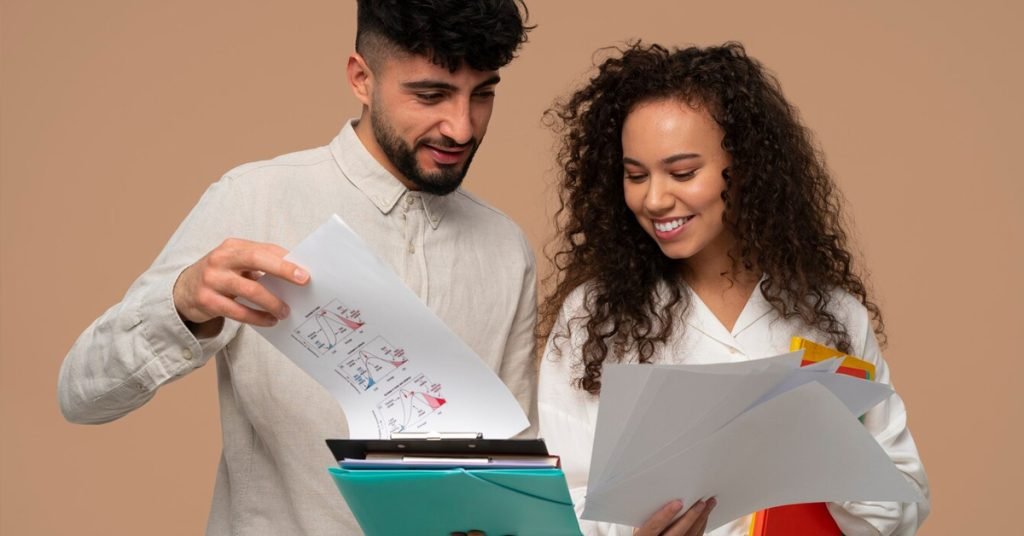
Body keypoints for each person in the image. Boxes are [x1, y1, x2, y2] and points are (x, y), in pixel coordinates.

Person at [58, 1, 537, 534]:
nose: (462, 126)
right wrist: (182, 304)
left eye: (484, 93)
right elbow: (81, 396)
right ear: (361, 78)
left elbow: (513, 470)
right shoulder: (255, 202)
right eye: (431, 95)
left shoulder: (505, 248)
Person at [538, 42, 930, 536]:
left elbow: (906, 496)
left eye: (683, 173)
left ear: (744, 168)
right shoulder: (593, 318)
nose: (655, 199)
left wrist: (831, 454)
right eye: (635, 175)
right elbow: (556, 501)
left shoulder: (833, 315)